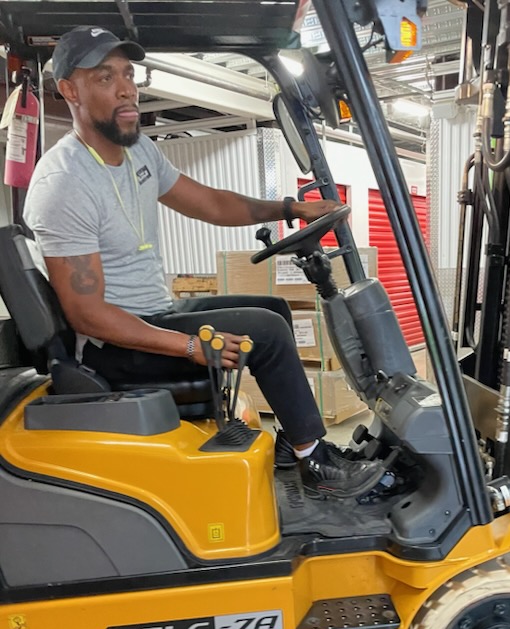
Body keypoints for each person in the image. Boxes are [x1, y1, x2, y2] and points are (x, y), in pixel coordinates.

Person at [24, 26, 385, 499]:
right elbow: (87, 315)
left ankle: (292, 444)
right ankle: (315, 460)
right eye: (105, 77)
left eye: (129, 74)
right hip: (110, 346)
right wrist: (190, 346)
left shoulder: (139, 153)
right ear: (70, 90)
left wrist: (291, 208)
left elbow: (211, 203)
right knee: (268, 331)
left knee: (273, 309)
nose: (126, 88)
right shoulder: (63, 182)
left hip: (154, 312)